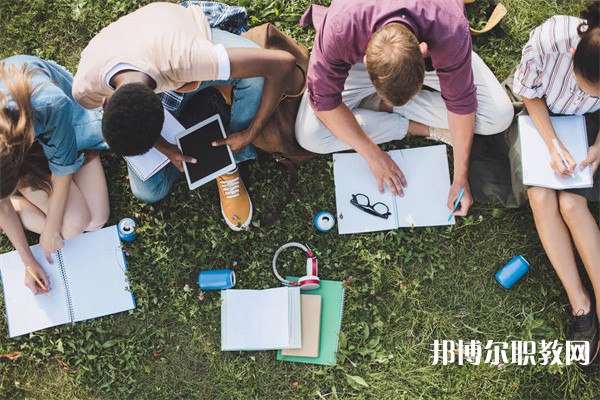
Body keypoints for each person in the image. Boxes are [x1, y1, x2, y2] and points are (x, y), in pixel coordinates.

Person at [72, 2, 295, 231]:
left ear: (164, 111)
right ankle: (209, 112)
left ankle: (230, 160)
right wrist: (165, 148)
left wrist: (249, 134)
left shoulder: (188, 59)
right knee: (148, 191)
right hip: (143, 50)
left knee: (255, 80)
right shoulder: (85, 89)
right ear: (106, 101)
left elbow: (282, 64)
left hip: (181, 35)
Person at [295, 0, 514, 217]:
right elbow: (323, 101)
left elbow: (462, 102)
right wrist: (372, 154)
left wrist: (460, 179)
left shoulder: (450, 29)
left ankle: (377, 106)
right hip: (358, 54)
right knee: (310, 135)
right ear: (364, 59)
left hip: (442, 47)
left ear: (423, 51)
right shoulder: (340, 26)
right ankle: (410, 122)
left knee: (498, 117)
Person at [513, 1, 600, 365]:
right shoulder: (549, 40)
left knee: (572, 203)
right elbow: (529, 92)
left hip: (590, 129)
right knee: (541, 196)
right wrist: (552, 143)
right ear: (573, 55)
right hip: (543, 117)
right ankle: (580, 304)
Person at [0, 55, 110, 295]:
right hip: (23, 144)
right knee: (74, 227)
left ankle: (22, 202)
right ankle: (19, 204)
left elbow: (62, 166)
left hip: (54, 125)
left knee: (95, 220)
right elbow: (1, 207)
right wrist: (28, 260)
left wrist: (50, 229)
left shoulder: (49, 104)